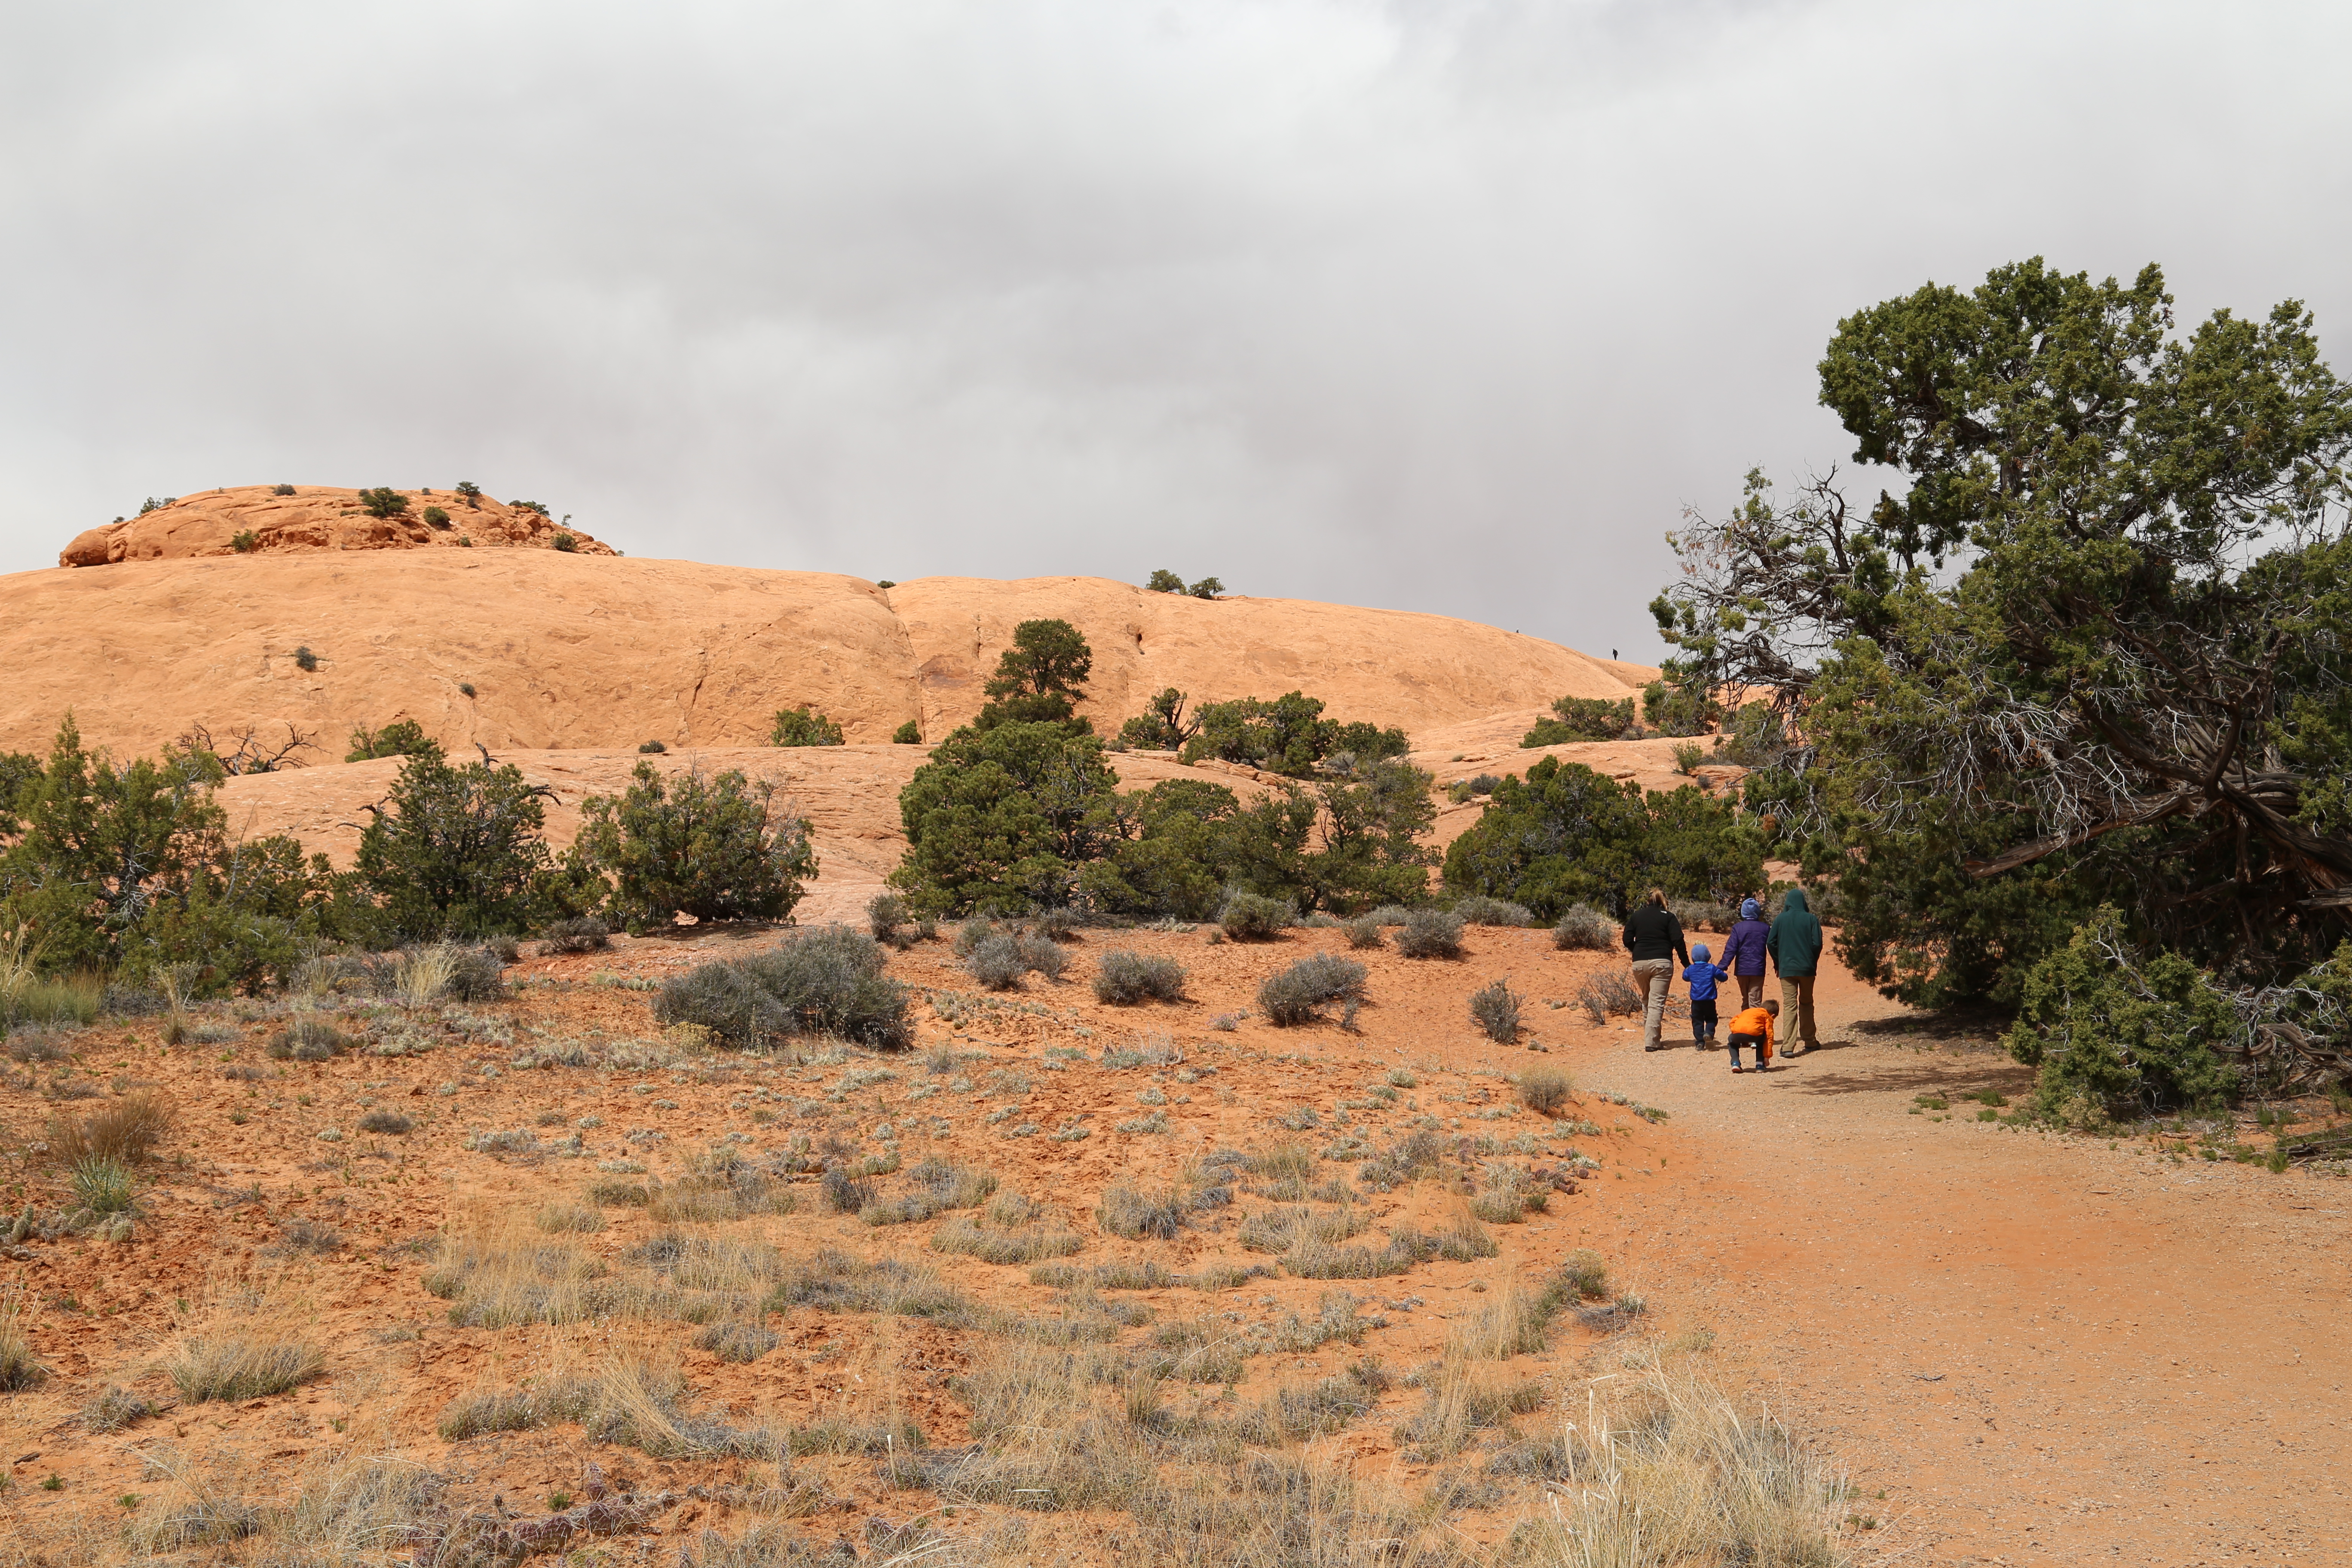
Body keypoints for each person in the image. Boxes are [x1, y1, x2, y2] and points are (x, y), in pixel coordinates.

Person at [1620, 888, 1688, 1052]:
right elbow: (1678, 940)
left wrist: (1638, 950)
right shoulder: (1669, 917)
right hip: (1662, 963)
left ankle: (1652, 1038)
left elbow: (1627, 939)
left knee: (1647, 1000)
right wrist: (1687, 964)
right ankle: (1651, 1042)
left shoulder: (1637, 916)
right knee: (1657, 1003)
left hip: (1640, 964)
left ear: (1648, 902)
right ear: (1664, 902)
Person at [1770, 888, 1825, 1055]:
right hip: (1807, 969)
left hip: (1787, 969)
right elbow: (1817, 944)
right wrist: (1812, 960)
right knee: (1807, 1003)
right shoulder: (1811, 919)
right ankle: (1810, 1041)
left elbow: (1771, 942)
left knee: (1790, 1005)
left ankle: (1788, 1047)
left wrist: (1778, 963)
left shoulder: (1780, 919)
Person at [1724, 896, 1771, 1010]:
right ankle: (1754, 1026)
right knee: (1755, 1001)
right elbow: (1773, 947)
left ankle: (1745, 1026)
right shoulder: (1765, 928)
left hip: (1742, 970)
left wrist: (1722, 966)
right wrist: (1778, 964)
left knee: (1746, 999)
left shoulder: (1738, 928)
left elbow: (1731, 949)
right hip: (1758, 970)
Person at [1682, 943, 1728, 1050]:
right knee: (1712, 1018)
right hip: (1709, 1000)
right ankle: (1708, 1033)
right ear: (1708, 956)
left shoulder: (1691, 969)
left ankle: (1700, 1042)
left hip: (1696, 1001)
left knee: (1697, 1021)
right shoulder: (1711, 968)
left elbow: (1685, 977)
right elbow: (1723, 977)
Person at [1724, 998, 1777, 1073]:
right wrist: (1767, 1057)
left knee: (1732, 1042)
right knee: (1763, 1039)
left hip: (1737, 1034)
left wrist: (1737, 1032)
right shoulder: (1767, 1016)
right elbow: (1769, 1036)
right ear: (1773, 1016)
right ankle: (1760, 1065)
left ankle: (1735, 1063)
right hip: (1754, 1035)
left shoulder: (1747, 1011)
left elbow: (1732, 1022)